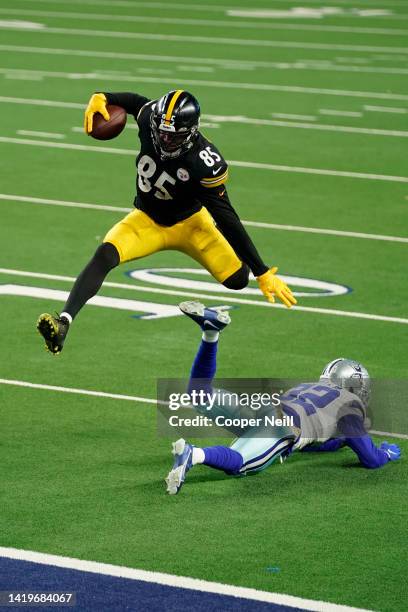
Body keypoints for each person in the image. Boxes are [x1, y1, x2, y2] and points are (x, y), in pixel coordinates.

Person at [36, 89, 296, 354]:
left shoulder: (204, 162)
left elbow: (226, 216)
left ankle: (214, 308)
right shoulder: (151, 118)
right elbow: (133, 102)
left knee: (238, 280)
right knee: (105, 254)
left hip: (193, 225)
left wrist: (261, 272)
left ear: (192, 132)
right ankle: (64, 323)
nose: (164, 138)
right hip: (147, 220)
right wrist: (102, 96)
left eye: (173, 136)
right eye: (161, 131)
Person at [165, 301, 401, 494]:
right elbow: (370, 458)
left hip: (268, 408)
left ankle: (210, 334)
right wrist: (386, 454)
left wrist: (338, 442)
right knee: (240, 463)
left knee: (200, 395)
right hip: (284, 426)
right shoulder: (349, 404)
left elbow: (314, 440)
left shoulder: (311, 388)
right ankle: (193, 454)